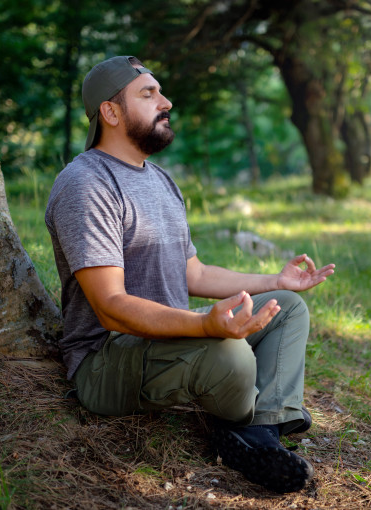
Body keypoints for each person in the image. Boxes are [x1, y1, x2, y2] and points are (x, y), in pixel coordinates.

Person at [45, 56, 335, 493]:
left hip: (170, 340)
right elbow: (110, 307)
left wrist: (275, 282)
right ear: (111, 112)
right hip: (107, 362)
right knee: (231, 356)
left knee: (289, 309)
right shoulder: (86, 184)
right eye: (148, 94)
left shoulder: (161, 181)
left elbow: (193, 274)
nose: (166, 102)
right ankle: (248, 424)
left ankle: (258, 432)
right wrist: (204, 327)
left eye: (160, 92)